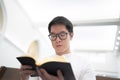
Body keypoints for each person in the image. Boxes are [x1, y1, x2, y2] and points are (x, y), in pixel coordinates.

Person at [20, 16, 96, 80]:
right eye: (53, 36)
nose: (57, 40)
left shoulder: (84, 64)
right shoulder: (44, 63)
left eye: (62, 35)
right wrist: (24, 78)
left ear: (71, 36)